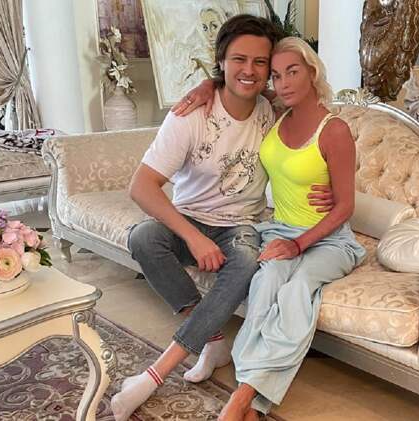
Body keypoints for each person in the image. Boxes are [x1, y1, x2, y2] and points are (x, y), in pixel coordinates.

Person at [110, 16, 332, 421]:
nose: (249, 70)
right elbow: (141, 187)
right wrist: (194, 238)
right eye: (238, 60)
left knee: (246, 259)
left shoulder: (271, 109)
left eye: (260, 62)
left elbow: (315, 113)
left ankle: (155, 374)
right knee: (143, 237)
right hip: (190, 218)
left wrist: (329, 185)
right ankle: (213, 340)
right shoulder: (189, 115)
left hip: (241, 226)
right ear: (221, 61)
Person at [218, 37, 367, 420]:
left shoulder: (334, 130)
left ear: (312, 72)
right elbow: (232, 84)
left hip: (329, 240)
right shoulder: (275, 112)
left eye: (293, 72)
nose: (283, 83)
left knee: (298, 290)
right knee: (265, 283)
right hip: (279, 230)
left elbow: (345, 206)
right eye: (277, 75)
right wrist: (205, 87)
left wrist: (298, 245)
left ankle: (241, 396)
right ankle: (254, 402)